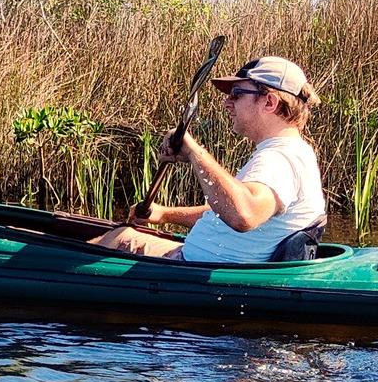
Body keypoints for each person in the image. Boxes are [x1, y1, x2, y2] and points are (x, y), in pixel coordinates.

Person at [102, 56, 326, 262]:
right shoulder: (292, 152)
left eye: (237, 94)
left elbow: (244, 214)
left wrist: (194, 152)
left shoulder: (279, 158)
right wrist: (165, 214)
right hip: (197, 263)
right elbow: (225, 211)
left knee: (115, 237)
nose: (227, 103)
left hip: (191, 269)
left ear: (269, 102)